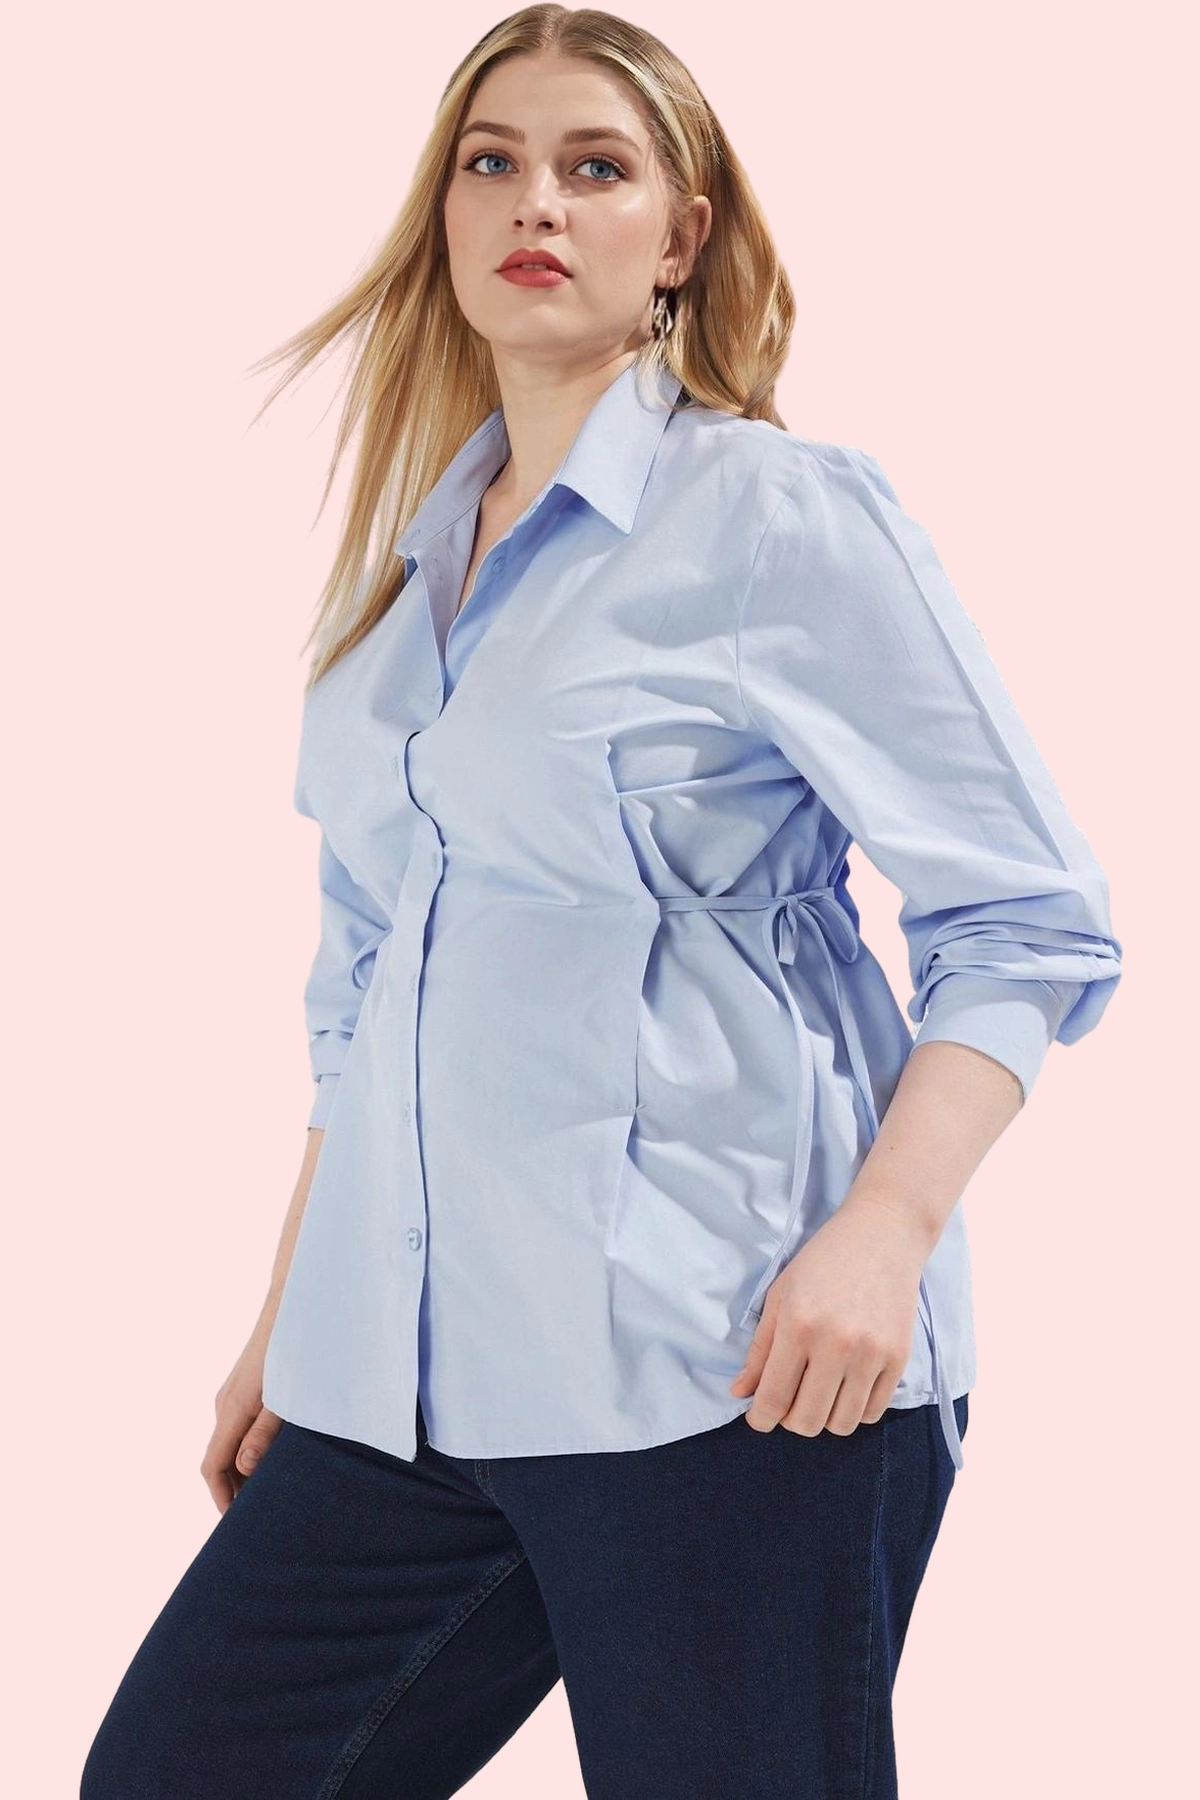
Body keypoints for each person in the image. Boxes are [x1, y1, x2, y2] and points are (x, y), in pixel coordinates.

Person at [80, 8, 1122, 1798]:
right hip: (407, 1379)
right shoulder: (406, 569)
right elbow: (368, 989)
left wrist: (884, 1233)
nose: (536, 203)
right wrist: (296, 1319)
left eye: (596, 166)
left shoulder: (776, 516)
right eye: (492, 162)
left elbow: (1027, 917)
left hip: (725, 1362)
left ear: (681, 236)